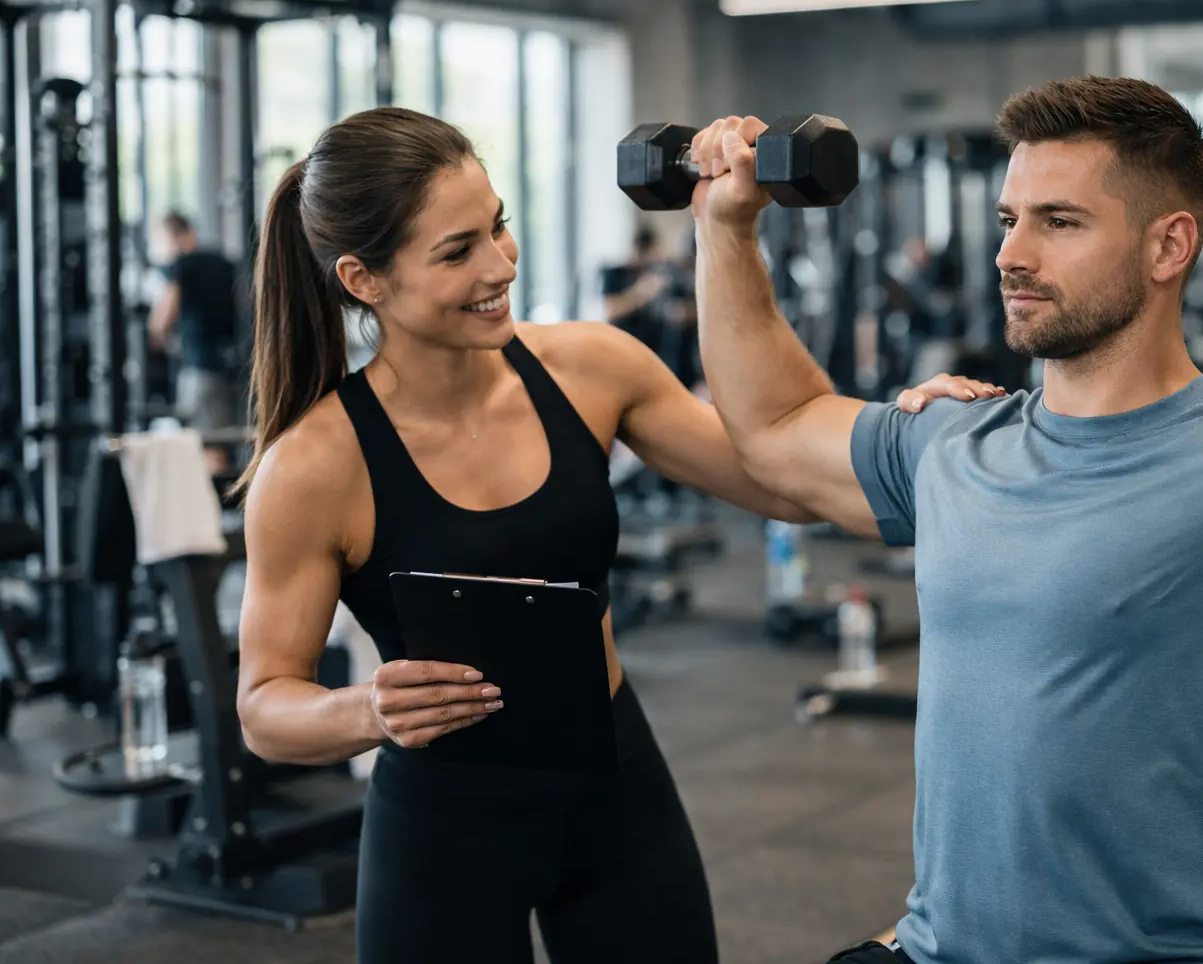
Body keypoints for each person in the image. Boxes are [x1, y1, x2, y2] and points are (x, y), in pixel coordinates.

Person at [684, 79, 1203, 964]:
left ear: (1170, 245)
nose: (1013, 253)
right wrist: (724, 227)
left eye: (1059, 221)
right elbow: (775, 427)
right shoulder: (953, 441)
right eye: (1012, 219)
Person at [229, 106, 1001, 964]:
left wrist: (897, 429)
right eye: (457, 252)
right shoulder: (313, 467)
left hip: (615, 786)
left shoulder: (590, 368)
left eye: (499, 227)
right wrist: (364, 708)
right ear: (364, 279)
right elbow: (265, 710)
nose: (500, 266)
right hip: (447, 822)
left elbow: (788, 480)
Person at [149, 211, 241, 472]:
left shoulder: (181, 266)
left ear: (176, 237)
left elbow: (164, 315)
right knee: (230, 443)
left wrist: (155, 333)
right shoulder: (223, 263)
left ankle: (214, 511)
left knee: (209, 448)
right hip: (233, 368)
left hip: (201, 371)